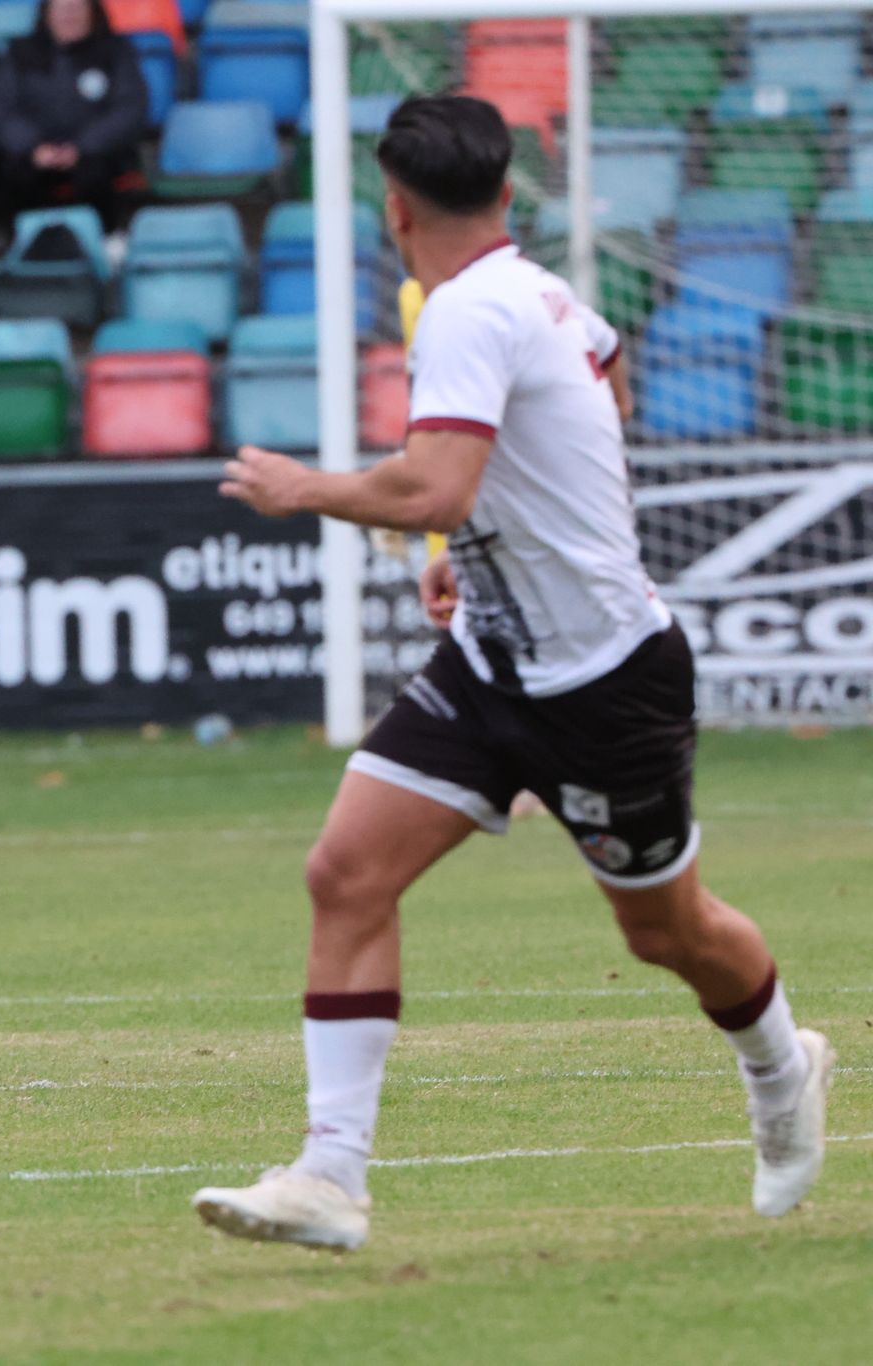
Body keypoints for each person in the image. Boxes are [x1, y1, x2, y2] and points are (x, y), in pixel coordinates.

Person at [195, 95, 833, 1249]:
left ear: (391, 209)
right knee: (343, 872)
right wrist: (479, 550)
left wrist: (304, 490)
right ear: (501, 193)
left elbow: (432, 486)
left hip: (605, 683)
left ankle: (784, 1068)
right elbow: (605, 376)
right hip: (490, 664)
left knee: (666, 932)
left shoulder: (464, 315)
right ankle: (328, 1178)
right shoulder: (539, 291)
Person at [0, 0, 146, 228]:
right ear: (47, 15)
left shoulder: (116, 51)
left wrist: (82, 147)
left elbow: (129, 108)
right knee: (12, 171)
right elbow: (1, 109)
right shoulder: (21, 52)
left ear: (93, 13)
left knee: (96, 173)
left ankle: (102, 242)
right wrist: (33, 146)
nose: (68, 16)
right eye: (61, 9)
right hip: (36, 152)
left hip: (98, 152)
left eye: (76, 9)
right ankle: (26, 245)